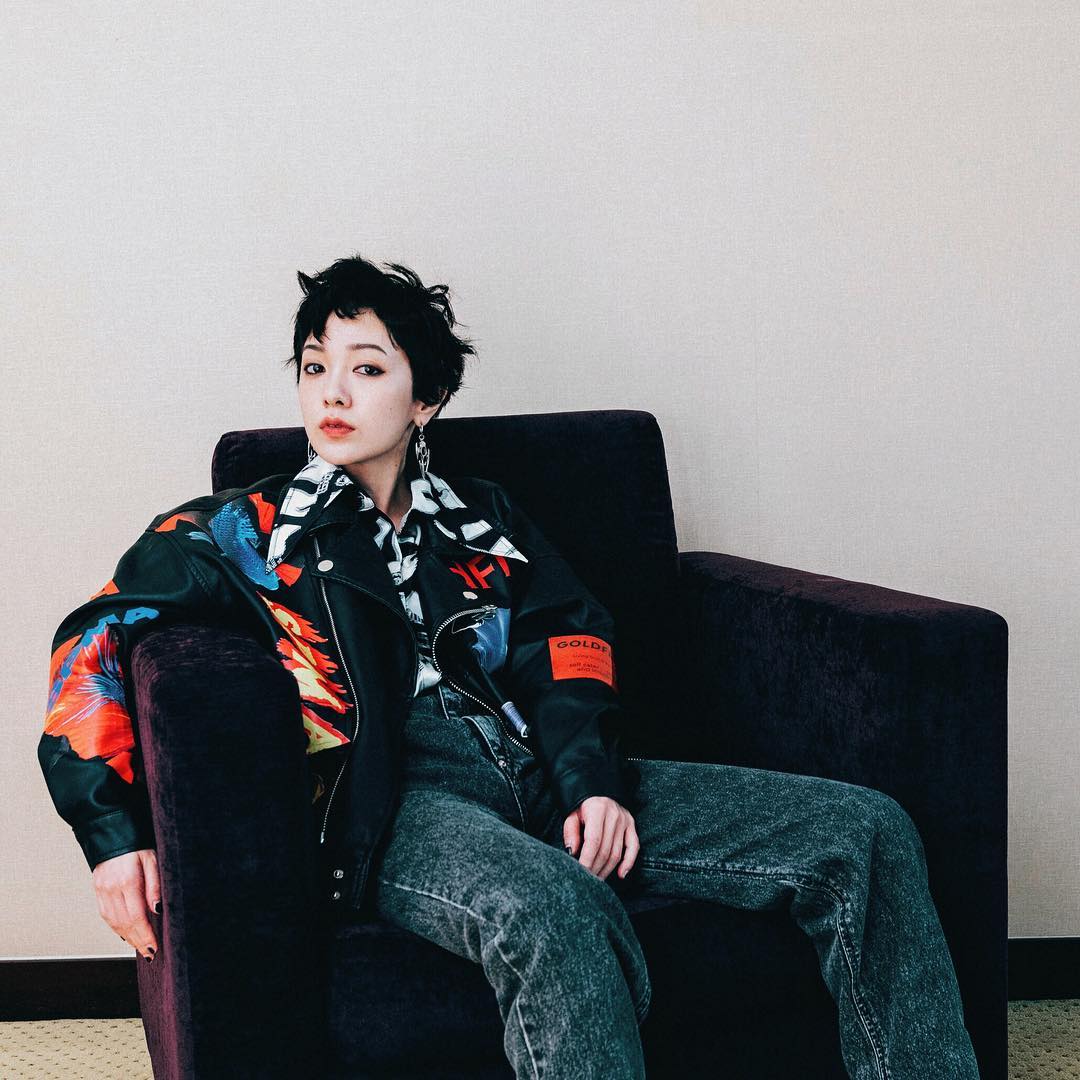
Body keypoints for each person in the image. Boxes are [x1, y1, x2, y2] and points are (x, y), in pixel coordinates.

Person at [39, 254, 981, 1079]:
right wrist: (112, 834)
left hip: (538, 769)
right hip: (399, 804)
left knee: (865, 832)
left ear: (425, 399)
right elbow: (95, 638)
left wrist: (593, 782)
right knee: (552, 907)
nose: (332, 394)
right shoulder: (243, 531)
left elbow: (569, 644)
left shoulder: (484, 521)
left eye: (367, 368)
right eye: (316, 367)